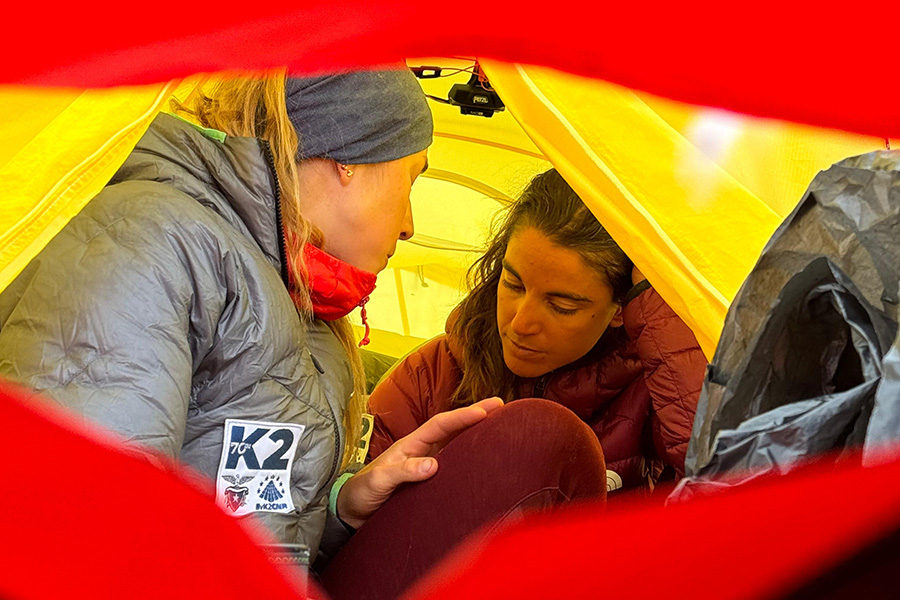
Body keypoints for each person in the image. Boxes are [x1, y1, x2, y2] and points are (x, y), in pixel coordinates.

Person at [0, 67, 502, 564]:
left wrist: (342, 506)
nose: (410, 225)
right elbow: (72, 537)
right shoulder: (152, 243)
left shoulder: (292, 298)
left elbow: (249, 517)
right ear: (350, 161)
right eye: (410, 180)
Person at [367, 168, 707, 493]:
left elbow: (721, 491)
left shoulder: (656, 395)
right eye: (513, 284)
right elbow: (350, 507)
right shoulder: (430, 375)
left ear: (620, 309)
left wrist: (655, 304)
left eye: (562, 306)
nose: (520, 324)